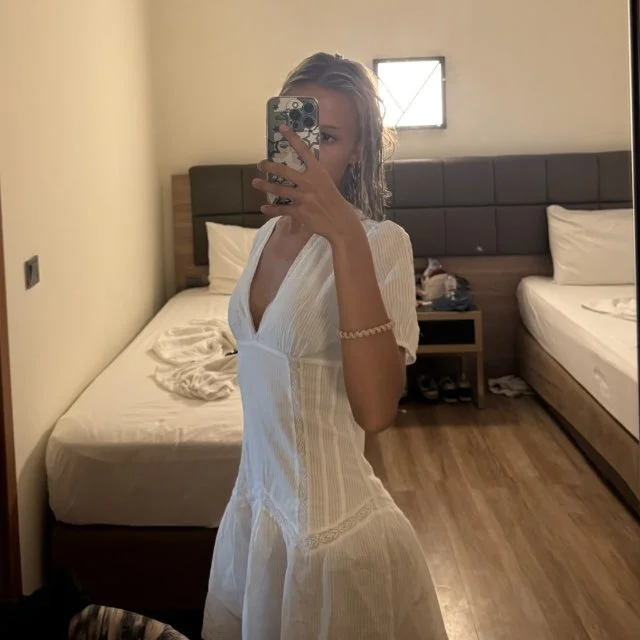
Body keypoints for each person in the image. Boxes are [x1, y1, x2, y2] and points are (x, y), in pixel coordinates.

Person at [202, 52, 448, 640]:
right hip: (254, 518)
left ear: (357, 151)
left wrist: (343, 235)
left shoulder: (381, 242)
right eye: (293, 134)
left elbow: (377, 410)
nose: (305, 155)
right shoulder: (262, 237)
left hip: (333, 541)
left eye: (327, 138)